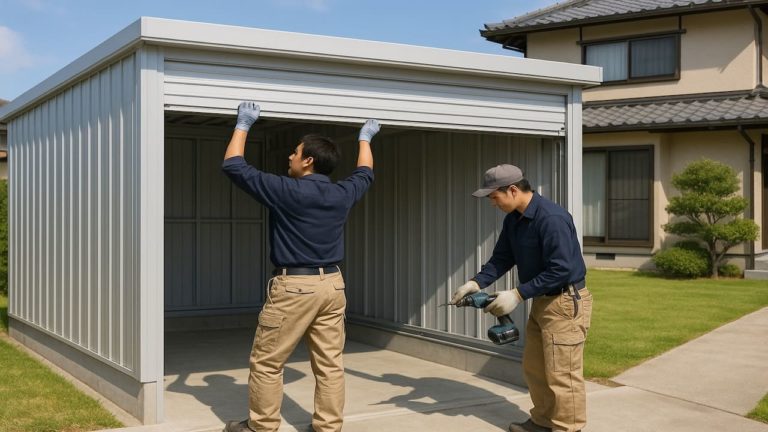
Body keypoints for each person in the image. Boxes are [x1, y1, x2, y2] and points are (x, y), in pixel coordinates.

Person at [220, 101, 380, 432]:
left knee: (267, 362)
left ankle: (261, 427)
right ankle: (328, 427)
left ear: (308, 160)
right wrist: (365, 138)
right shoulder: (342, 193)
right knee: (330, 364)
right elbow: (365, 172)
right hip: (333, 286)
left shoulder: (286, 190)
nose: (289, 157)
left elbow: (234, 165)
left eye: (295, 152)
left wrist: (244, 124)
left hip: (294, 287)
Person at [450, 164, 592, 432]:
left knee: (563, 374)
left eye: (494, 197)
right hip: (542, 302)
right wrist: (475, 282)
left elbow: (562, 269)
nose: (493, 203)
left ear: (513, 190)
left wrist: (518, 293)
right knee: (536, 368)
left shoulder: (551, 218)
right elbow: (502, 258)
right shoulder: (514, 219)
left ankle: (567, 428)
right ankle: (543, 422)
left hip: (564, 301)